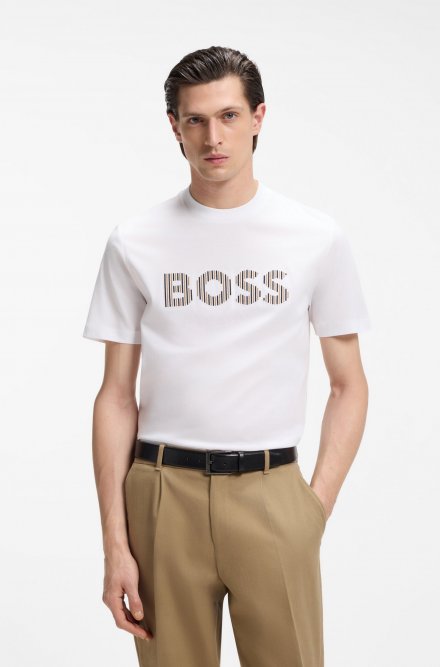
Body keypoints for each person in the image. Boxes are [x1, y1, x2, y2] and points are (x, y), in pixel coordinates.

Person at [82, 45, 371, 667]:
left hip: (273, 493)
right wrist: (115, 544)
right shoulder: (135, 241)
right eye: (196, 120)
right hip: (162, 495)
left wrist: (313, 508)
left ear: (258, 117)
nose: (213, 137)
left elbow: (348, 383)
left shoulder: (315, 237)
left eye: (229, 116)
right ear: (175, 126)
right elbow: (115, 395)